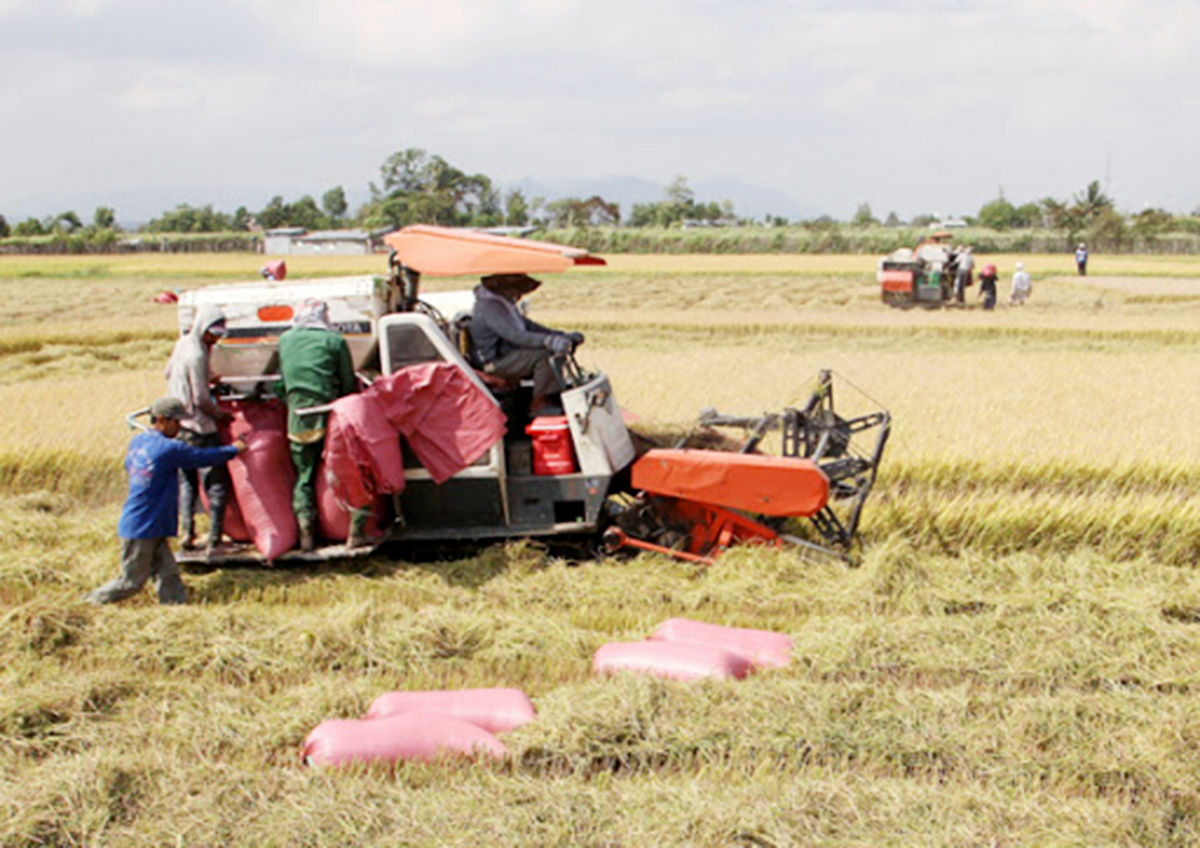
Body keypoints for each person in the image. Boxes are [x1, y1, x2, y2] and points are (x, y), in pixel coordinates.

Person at [88, 397, 246, 606]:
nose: (180, 427)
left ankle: (174, 607)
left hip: (151, 523)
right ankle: (90, 602)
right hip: (142, 526)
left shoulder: (138, 442)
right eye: (177, 422)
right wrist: (233, 449)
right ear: (162, 420)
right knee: (131, 582)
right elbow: (202, 457)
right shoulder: (169, 448)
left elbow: (129, 465)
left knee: (168, 574)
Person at [276, 298, 365, 551]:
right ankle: (356, 532)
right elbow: (347, 384)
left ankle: (306, 532)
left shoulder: (285, 340)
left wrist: (288, 401)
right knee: (350, 471)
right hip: (331, 417)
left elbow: (281, 383)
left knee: (304, 476)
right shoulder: (334, 341)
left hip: (298, 419)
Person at [165, 304, 233, 555]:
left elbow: (168, 372)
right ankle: (215, 539)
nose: (214, 340)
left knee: (187, 482)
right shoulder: (197, 355)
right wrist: (220, 416)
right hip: (198, 427)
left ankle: (187, 533)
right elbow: (201, 399)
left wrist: (206, 376)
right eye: (212, 335)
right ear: (203, 328)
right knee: (215, 482)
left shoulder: (183, 344)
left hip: (179, 426)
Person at [469, 273, 583, 411]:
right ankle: (540, 403)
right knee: (545, 356)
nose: (519, 296)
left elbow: (529, 326)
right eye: (517, 290)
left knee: (548, 351)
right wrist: (548, 341)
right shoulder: (490, 307)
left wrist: (560, 335)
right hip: (494, 363)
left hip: (507, 355)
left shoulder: (503, 303)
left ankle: (552, 396)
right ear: (506, 288)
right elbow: (516, 336)